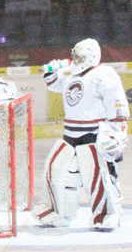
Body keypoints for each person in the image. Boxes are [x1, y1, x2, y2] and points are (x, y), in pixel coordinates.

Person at [39, 38, 129, 230]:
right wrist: (51, 71)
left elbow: (117, 104)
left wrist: (117, 133)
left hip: (94, 135)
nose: (77, 59)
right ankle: (59, 212)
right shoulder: (70, 72)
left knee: (99, 177)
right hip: (70, 134)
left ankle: (107, 215)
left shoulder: (104, 74)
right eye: (76, 55)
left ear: (92, 56)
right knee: (56, 171)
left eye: (81, 56)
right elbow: (53, 84)